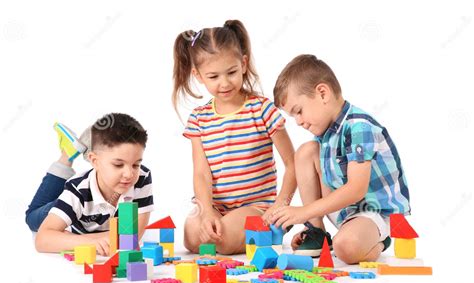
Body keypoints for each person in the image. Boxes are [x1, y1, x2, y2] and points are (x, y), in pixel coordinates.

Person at [270, 54, 410, 264]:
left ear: (322, 93)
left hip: (374, 213)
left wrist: (303, 211)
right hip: (347, 211)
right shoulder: (325, 135)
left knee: (345, 247)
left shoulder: (359, 127)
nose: (298, 122)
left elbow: (356, 189)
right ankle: (317, 232)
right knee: (306, 151)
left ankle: (382, 240)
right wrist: (290, 209)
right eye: (293, 116)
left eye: (299, 111)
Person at [173, 19, 296, 255]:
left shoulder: (262, 110)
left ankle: (270, 230)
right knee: (191, 237)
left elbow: (293, 163)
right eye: (213, 77)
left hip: (256, 207)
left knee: (221, 241)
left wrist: (281, 205)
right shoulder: (200, 118)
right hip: (217, 207)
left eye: (231, 72)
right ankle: (231, 228)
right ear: (198, 75)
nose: (225, 83)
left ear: (243, 63)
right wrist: (207, 210)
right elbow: (201, 172)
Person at [27, 113, 154, 256]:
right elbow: (42, 239)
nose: (129, 174)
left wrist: (94, 238)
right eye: (118, 165)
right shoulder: (77, 191)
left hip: (83, 207)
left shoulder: (141, 178)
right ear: (94, 161)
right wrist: (90, 241)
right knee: (31, 217)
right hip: (73, 203)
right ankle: (66, 156)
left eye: (136, 164)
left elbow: (134, 234)